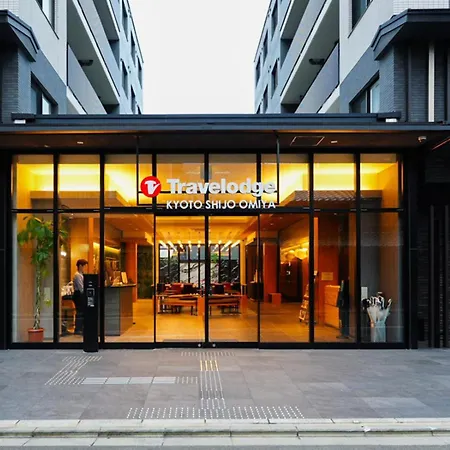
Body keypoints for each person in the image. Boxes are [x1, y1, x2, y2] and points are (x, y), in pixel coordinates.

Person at [73, 259, 88, 335]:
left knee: (82, 311)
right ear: (80, 266)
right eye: (84, 266)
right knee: (80, 311)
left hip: (80, 294)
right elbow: (81, 288)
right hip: (78, 295)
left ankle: (80, 328)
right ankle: (78, 329)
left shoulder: (81, 274)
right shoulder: (77, 275)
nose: (85, 268)